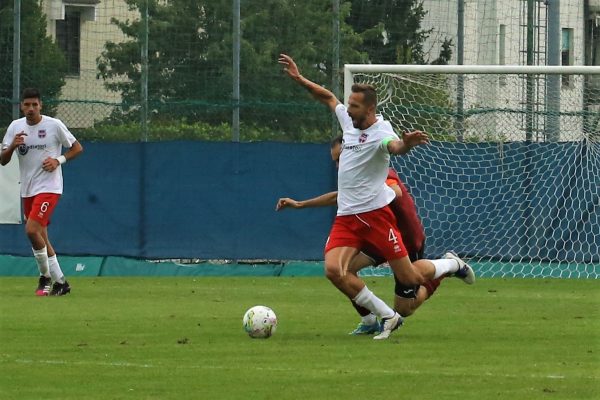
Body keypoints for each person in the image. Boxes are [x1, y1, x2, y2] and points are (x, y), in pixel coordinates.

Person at [278, 54, 474, 340]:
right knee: (336, 271)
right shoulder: (349, 121)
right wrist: (299, 78)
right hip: (348, 219)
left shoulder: (381, 132)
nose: (348, 110)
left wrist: (405, 144)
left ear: (369, 110)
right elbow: (329, 98)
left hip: (378, 220)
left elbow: (393, 147)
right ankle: (381, 317)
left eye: (354, 106)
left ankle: (450, 264)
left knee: (411, 281)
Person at [277, 135, 445, 335]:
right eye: (335, 161)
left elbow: (396, 191)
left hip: (405, 239)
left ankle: (449, 265)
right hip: (376, 236)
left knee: (405, 307)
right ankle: (369, 320)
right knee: (343, 270)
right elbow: (339, 197)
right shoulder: (354, 179)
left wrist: (373, 190)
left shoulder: (377, 172)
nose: (339, 166)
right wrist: (300, 204)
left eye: (341, 158)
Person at [1, 88, 83, 296]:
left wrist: (59, 160)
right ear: (21, 106)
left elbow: (77, 148)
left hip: (49, 188)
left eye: (34, 105)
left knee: (31, 230)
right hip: (27, 189)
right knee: (41, 236)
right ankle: (61, 282)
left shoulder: (53, 125)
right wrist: (12, 145)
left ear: (41, 106)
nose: (30, 109)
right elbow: (3, 159)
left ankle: (45, 277)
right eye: (26, 105)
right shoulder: (15, 127)